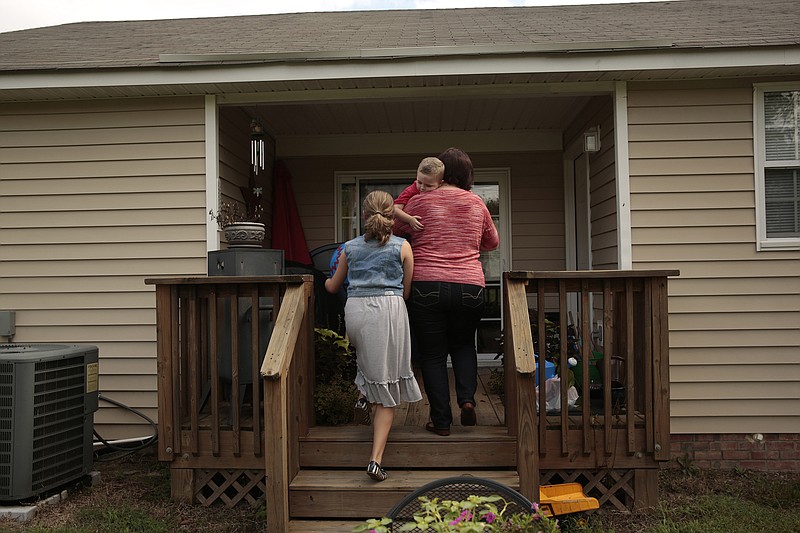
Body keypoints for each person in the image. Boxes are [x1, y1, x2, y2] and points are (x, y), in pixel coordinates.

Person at [394, 147, 499, 436]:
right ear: (466, 175)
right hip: (469, 285)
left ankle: (441, 421)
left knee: (433, 355)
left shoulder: (419, 201)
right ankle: (466, 399)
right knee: (464, 345)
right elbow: (492, 243)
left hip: (426, 285)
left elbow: (392, 228)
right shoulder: (477, 203)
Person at [325, 190, 422, 481]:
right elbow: (406, 291)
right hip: (388, 310)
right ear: (393, 216)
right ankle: (375, 460)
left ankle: (362, 394)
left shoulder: (349, 248)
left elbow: (333, 287)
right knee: (387, 389)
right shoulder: (403, 247)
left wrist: (327, 279)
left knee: (368, 359)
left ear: (364, 216)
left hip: (356, 311)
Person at [393, 156, 445, 231]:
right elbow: (395, 209)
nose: (422, 187)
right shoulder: (411, 190)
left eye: (428, 185)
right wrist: (410, 219)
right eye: (419, 182)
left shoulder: (443, 192)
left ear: (440, 184)